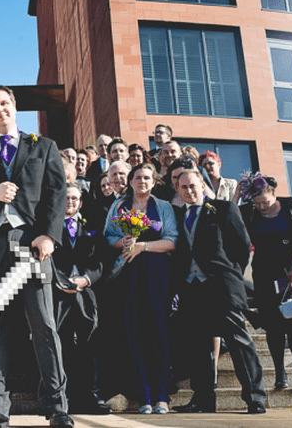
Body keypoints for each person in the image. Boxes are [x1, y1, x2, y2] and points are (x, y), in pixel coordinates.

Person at [0, 85, 72, 428]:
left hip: (32, 247)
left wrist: (50, 236)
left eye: (4, 103)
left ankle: (57, 407)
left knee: (43, 325)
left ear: (14, 107)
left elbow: (57, 194)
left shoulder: (44, 147)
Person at [173, 170, 267, 414]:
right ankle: (203, 399)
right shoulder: (179, 215)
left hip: (221, 287)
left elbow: (242, 247)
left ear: (202, 185)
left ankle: (255, 397)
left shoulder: (223, 209)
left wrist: (229, 275)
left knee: (238, 341)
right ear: (178, 191)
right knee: (198, 345)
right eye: (183, 187)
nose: (189, 191)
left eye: (193, 185)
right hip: (192, 288)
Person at [102, 162, 177, 414]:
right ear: (130, 181)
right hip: (128, 275)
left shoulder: (164, 207)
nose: (142, 182)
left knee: (158, 331)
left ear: (153, 182)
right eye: (138, 178)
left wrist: (142, 247)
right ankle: (143, 396)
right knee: (135, 332)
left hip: (156, 273)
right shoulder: (118, 206)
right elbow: (107, 236)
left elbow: (172, 240)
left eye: (147, 178)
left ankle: (162, 396)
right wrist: (121, 241)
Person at [239, 173, 292, 391]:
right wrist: (238, 194)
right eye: (257, 203)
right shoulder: (249, 213)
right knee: (273, 327)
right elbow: (229, 218)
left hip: (290, 274)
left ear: (274, 194)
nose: (262, 207)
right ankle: (280, 375)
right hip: (264, 275)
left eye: (265, 202)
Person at [53, 183, 109, 415]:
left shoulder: (93, 225)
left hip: (86, 292)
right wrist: (61, 281)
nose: (71, 202)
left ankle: (90, 396)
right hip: (58, 292)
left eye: (75, 198)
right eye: (66, 198)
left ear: (81, 202)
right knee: (62, 343)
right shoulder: (50, 225)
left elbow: (101, 259)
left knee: (89, 343)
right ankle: (63, 398)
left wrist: (86, 279)